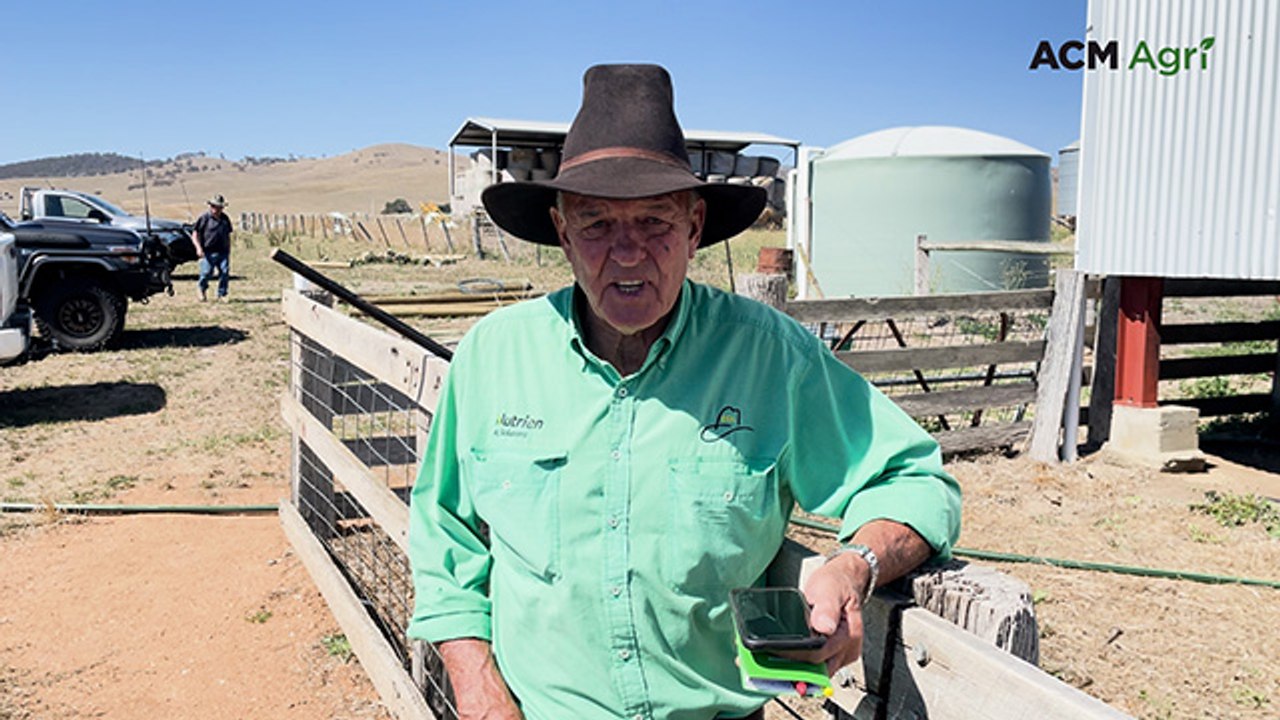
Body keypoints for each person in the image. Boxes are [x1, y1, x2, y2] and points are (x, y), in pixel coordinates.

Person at [407, 64, 961, 720]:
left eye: (654, 222)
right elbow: (444, 527)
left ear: (695, 227)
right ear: (561, 233)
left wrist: (854, 563)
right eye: (596, 225)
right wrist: (474, 680)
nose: (629, 252)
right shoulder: (495, 356)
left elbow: (915, 481)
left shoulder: (769, 356)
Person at [193, 194, 233, 301]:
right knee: (206, 273)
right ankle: (202, 289)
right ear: (210, 206)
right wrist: (198, 248)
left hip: (223, 251)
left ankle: (222, 294)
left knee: (224, 273)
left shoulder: (225, 219)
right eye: (214, 206)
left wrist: (229, 249)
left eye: (219, 207)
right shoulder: (204, 218)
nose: (216, 209)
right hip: (208, 251)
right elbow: (195, 234)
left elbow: (228, 234)